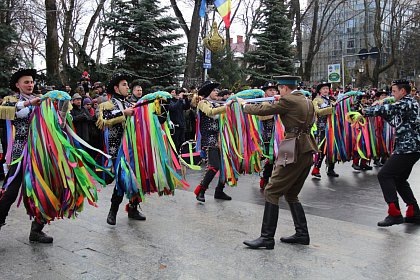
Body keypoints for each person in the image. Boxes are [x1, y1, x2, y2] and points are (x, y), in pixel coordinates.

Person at [241, 75, 317, 249]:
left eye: (279, 88)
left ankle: (267, 238)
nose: (278, 91)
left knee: (272, 191)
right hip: (307, 148)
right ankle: (302, 234)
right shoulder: (307, 100)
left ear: (284, 88)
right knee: (291, 194)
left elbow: (263, 110)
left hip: (293, 148)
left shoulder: (288, 100)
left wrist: (244, 105)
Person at [0, 69, 53, 243]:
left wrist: (61, 107)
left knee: (44, 189)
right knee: (11, 191)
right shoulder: (12, 100)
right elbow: (5, 111)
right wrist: (30, 104)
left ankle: (37, 230)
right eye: (26, 82)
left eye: (31, 82)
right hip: (20, 153)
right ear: (17, 85)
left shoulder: (41, 99)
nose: (30, 85)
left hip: (40, 153)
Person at [363, 79, 420, 227]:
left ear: (403, 91)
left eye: (394, 91)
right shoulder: (406, 104)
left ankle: (394, 214)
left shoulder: (407, 102)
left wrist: (364, 111)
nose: (392, 94)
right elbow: (395, 121)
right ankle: (414, 213)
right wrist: (380, 111)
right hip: (410, 148)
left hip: (408, 148)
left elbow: (388, 109)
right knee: (399, 179)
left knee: (385, 175)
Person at [96, 73, 146, 225]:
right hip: (117, 150)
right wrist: (124, 113)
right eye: (124, 85)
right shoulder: (108, 103)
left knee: (135, 179)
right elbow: (104, 120)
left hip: (132, 149)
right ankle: (113, 211)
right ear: (116, 88)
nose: (127, 87)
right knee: (122, 180)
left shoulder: (130, 103)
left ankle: (133, 208)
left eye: (127, 84)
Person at [194, 81, 233, 202]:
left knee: (226, 165)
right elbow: (211, 113)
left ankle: (219, 191)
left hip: (221, 138)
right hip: (209, 138)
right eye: (214, 90)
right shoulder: (202, 103)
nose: (217, 92)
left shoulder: (218, 103)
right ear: (208, 92)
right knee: (214, 166)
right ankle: (201, 190)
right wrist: (227, 107)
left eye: (217, 90)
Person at [311, 82, 339, 178]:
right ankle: (316, 169)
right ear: (320, 90)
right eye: (324, 89)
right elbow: (318, 111)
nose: (326, 90)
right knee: (322, 149)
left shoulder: (332, 99)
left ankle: (331, 169)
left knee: (332, 147)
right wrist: (331, 108)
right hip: (321, 127)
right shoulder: (316, 100)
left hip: (332, 127)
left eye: (327, 88)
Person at [258, 81, 278, 189]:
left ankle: (273, 179)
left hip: (278, 135)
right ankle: (265, 178)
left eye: (274, 90)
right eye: (270, 90)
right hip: (268, 135)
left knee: (277, 158)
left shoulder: (277, 102)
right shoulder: (263, 102)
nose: (273, 92)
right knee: (270, 158)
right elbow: (261, 117)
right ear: (265, 91)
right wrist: (275, 111)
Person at [167, 88, 190, 152]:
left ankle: (181, 156)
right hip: (175, 127)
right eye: (173, 92)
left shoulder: (179, 101)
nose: (175, 93)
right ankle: (176, 157)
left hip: (181, 125)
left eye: (175, 92)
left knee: (182, 142)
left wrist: (186, 98)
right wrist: (180, 99)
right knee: (176, 143)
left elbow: (187, 107)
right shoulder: (169, 101)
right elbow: (173, 108)